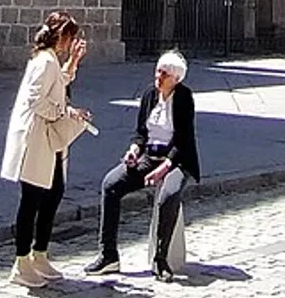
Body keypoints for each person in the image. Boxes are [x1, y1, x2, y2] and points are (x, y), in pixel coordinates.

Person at [85, 48, 200, 282]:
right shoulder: (149, 94)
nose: (159, 77)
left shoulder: (184, 98)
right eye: (158, 71)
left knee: (168, 195)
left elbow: (184, 140)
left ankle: (160, 259)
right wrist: (134, 150)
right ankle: (108, 255)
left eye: (165, 74)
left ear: (176, 78)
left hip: (175, 160)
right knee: (111, 184)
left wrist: (163, 168)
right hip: (149, 156)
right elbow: (140, 133)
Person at [0, 11, 90, 286]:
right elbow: (36, 100)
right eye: (70, 37)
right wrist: (64, 113)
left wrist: (74, 61)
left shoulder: (51, 61)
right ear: (62, 36)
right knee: (32, 199)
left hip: (49, 139)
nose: (71, 42)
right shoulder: (44, 61)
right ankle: (21, 261)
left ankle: (39, 253)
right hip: (36, 138)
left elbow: (59, 83)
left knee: (53, 193)